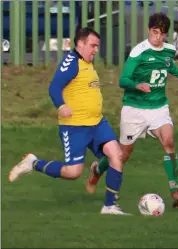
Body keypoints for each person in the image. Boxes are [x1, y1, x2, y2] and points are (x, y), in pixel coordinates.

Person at [86, 13, 178, 208]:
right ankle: (98, 169)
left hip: (159, 107)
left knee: (169, 142)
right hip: (134, 109)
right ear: (149, 30)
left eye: (162, 34)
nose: (158, 37)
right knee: (122, 156)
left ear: (166, 34)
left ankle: (175, 190)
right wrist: (137, 85)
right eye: (154, 32)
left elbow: (169, 66)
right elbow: (123, 80)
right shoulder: (138, 52)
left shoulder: (168, 50)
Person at [8, 27, 129, 215]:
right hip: (75, 128)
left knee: (117, 155)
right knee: (73, 173)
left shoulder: (87, 63)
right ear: (80, 43)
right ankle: (33, 163)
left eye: (98, 46)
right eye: (93, 45)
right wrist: (61, 105)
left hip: (97, 123)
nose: (96, 50)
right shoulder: (71, 62)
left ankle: (110, 206)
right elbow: (54, 87)